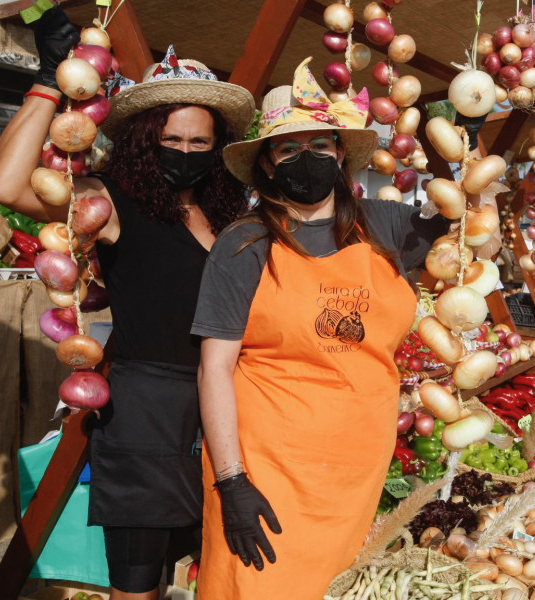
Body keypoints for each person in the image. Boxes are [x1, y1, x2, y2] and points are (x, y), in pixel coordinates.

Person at [0, 9, 255, 598]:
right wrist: (47, 82)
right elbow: (7, 185)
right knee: (139, 581)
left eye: (199, 142)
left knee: (220, 569)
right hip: (147, 410)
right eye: (172, 139)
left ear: (218, 149)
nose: (184, 150)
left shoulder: (234, 218)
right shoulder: (113, 204)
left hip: (235, 409)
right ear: (146, 139)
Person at [190, 59, 455, 599]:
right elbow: (214, 368)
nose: (304, 159)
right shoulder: (243, 245)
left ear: (339, 153)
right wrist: (232, 480)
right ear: (266, 163)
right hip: (266, 468)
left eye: (318, 145)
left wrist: (445, 128)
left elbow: (470, 224)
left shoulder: (386, 226)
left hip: (356, 467)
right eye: (288, 149)